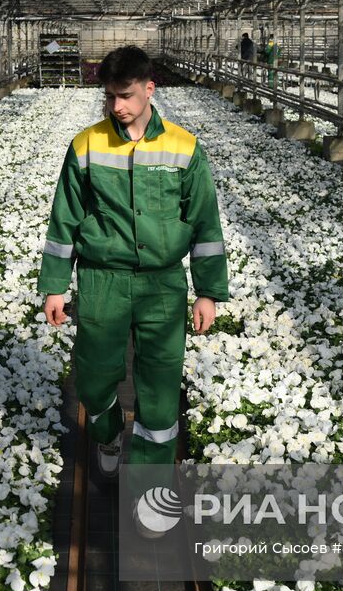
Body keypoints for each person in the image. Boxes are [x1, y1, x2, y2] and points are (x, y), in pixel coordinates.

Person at [39, 45, 229, 539]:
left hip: (163, 283)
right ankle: (106, 436)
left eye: (124, 96)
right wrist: (56, 286)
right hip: (102, 280)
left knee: (160, 387)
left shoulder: (185, 149)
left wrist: (207, 292)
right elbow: (66, 217)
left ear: (149, 88)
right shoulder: (86, 145)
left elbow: (205, 224)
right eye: (109, 97)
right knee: (95, 375)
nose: (116, 106)